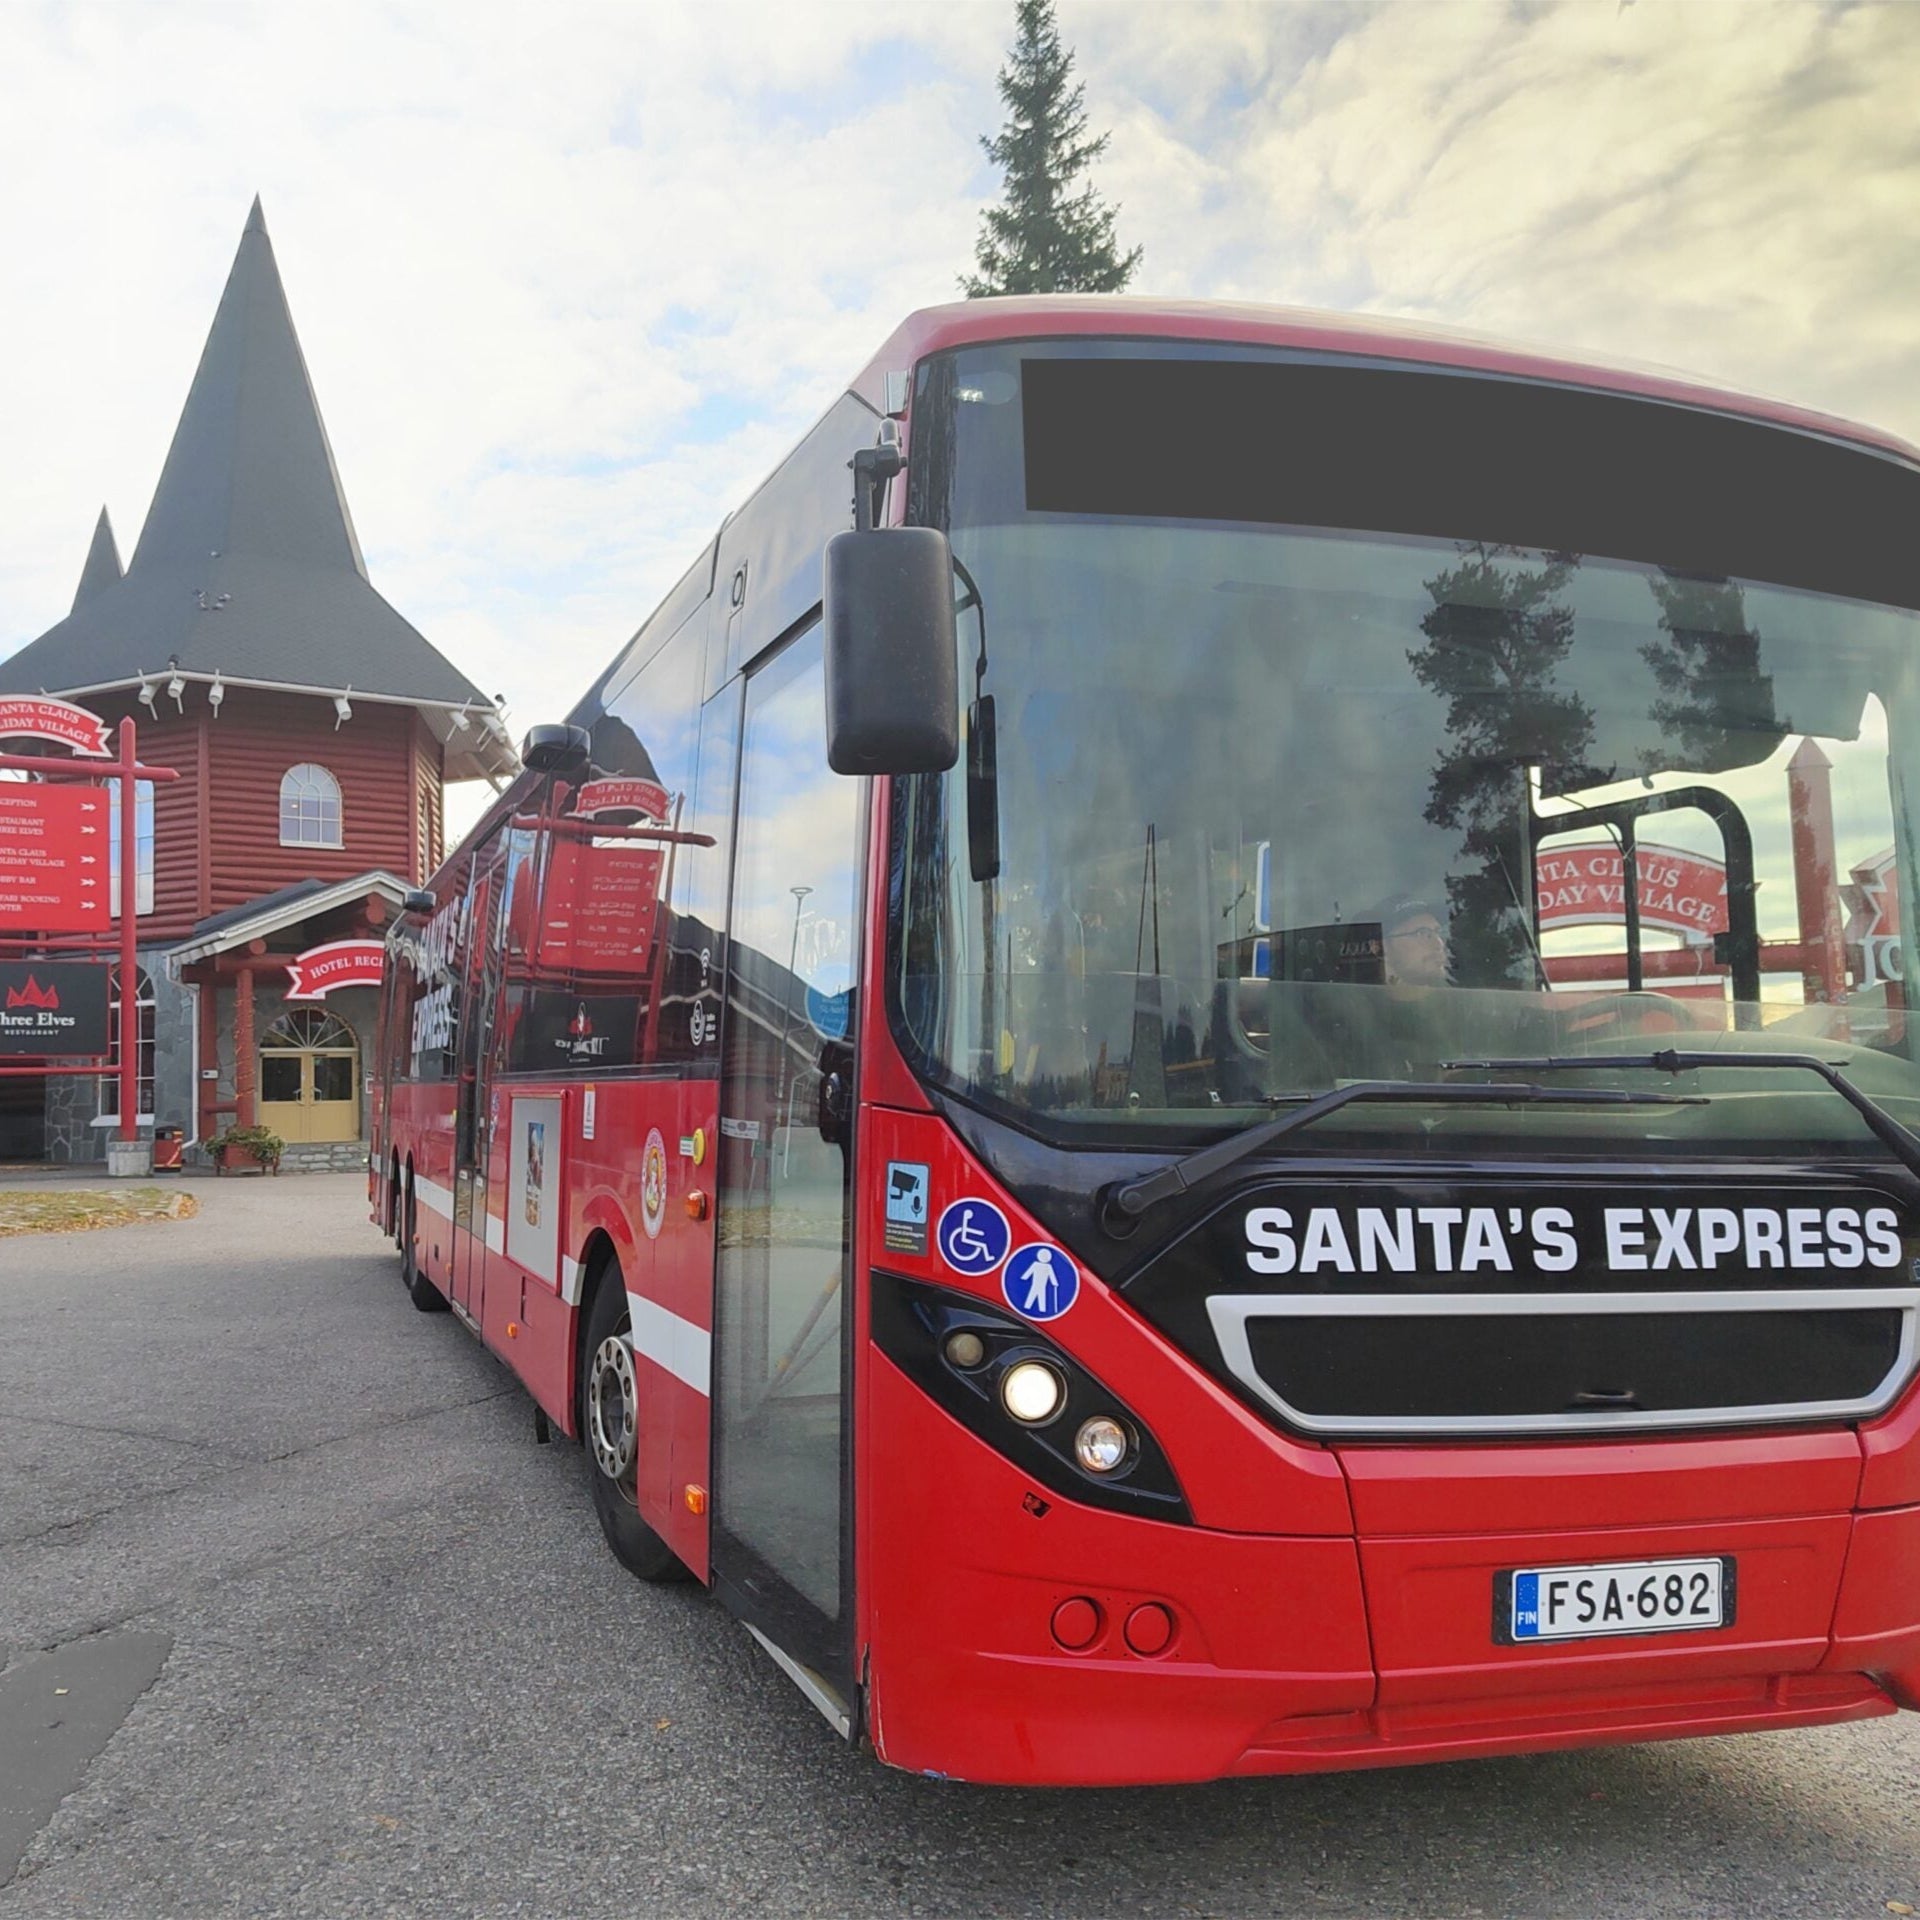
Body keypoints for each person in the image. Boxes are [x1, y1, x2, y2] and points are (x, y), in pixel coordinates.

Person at [1377, 896, 1451, 988]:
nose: (1439, 944)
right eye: (1422, 933)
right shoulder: (1355, 999)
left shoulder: (1463, 996)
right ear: (1384, 947)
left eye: (1438, 932)